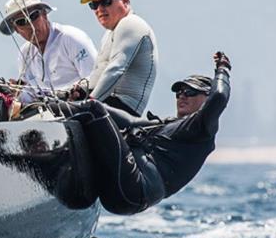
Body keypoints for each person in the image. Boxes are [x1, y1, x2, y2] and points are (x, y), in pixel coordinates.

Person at [54, 51, 232, 215]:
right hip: (119, 193)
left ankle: (35, 105)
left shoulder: (202, 129)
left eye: (190, 92)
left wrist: (222, 69)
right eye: (179, 93)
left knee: (92, 111)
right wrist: (82, 101)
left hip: (136, 189)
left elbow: (219, 97)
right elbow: (130, 122)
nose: (182, 96)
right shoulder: (170, 124)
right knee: (92, 114)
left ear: (207, 98)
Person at [0, 0, 98, 121]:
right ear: (16, 30)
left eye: (33, 16)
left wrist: (70, 93)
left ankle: (8, 108)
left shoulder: (71, 38)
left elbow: (95, 80)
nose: (30, 25)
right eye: (21, 22)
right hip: (52, 118)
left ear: (44, 15)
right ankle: (8, 105)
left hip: (84, 113)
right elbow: (31, 96)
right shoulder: (24, 54)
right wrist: (17, 93)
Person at [73, 0, 158, 117]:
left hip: (124, 108)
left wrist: (90, 102)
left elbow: (115, 69)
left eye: (106, 2)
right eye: (94, 5)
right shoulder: (109, 34)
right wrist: (79, 90)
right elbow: (99, 72)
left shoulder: (130, 24)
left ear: (125, 0)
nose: (99, 9)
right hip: (109, 102)